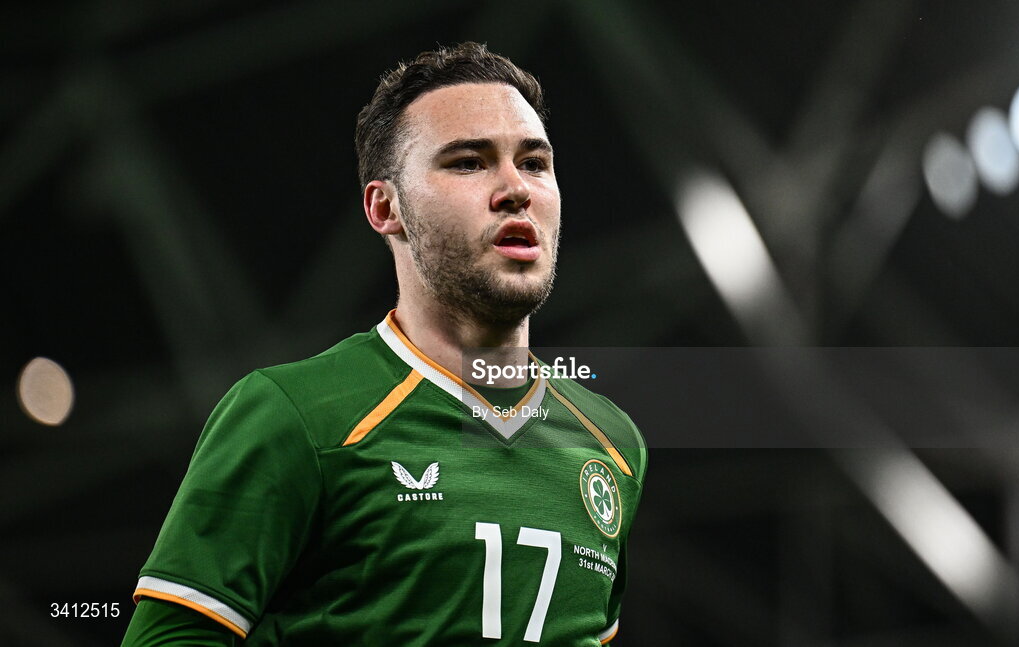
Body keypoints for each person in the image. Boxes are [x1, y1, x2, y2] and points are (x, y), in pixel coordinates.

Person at [121, 41, 647, 646]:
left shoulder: (614, 445)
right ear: (385, 207)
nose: (515, 189)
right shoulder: (294, 415)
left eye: (533, 162)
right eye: (468, 162)